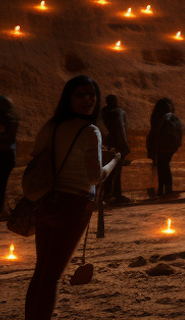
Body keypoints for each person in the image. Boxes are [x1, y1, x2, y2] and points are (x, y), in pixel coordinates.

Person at [24, 76, 119, 320]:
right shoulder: (90, 131)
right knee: (51, 276)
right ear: (69, 97)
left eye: (91, 95)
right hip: (73, 205)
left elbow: (36, 156)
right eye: (81, 94)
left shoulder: (51, 126)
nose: (88, 99)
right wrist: (113, 162)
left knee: (40, 273)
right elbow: (95, 177)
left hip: (45, 201)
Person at [146, 98, 184, 198]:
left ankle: (162, 189)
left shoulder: (160, 118)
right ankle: (165, 189)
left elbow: (154, 133)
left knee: (161, 165)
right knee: (164, 165)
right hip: (168, 146)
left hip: (161, 146)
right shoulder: (170, 117)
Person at [100, 95, 131, 203]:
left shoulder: (103, 113)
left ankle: (107, 194)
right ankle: (116, 195)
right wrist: (125, 146)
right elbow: (121, 130)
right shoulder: (119, 113)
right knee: (117, 171)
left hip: (107, 143)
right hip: (118, 144)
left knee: (109, 170)